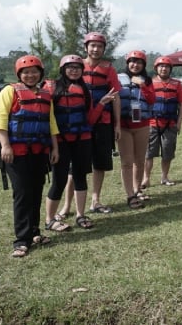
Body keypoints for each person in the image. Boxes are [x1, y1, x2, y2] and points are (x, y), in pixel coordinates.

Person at [0, 55, 59, 258]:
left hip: (39, 151)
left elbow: (51, 123)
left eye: (34, 72)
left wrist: (55, 148)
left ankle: (34, 232)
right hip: (16, 153)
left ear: (40, 73)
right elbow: (0, 120)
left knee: (36, 192)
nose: (31, 75)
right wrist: (5, 145)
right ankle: (21, 240)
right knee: (22, 194)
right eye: (26, 72)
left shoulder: (45, 94)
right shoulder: (9, 91)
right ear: (19, 74)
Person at [43, 55, 115, 232]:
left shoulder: (84, 91)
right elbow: (46, 116)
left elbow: (90, 119)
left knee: (80, 177)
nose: (74, 70)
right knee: (59, 180)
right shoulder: (51, 88)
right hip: (60, 141)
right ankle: (49, 219)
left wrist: (101, 103)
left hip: (82, 140)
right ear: (63, 69)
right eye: (70, 67)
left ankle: (80, 215)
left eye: (77, 67)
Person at [81, 32, 122, 214]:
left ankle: (95, 200)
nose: (96, 49)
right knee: (77, 164)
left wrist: (117, 124)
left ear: (104, 49)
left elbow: (116, 97)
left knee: (100, 163)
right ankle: (67, 206)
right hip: (80, 123)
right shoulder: (76, 66)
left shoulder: (109, 70)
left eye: (99, 46)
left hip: (103, 122)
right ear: (86, 47)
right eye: (92, 45)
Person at [116, 50, 156, 210]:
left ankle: (137, 189)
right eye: (132, 61)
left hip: (142, 124)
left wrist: (143, 85)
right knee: (127, 162)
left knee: (139, 161)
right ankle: (130, 195)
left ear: (143, 65)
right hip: (124, 125)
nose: (135, 65)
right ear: (127, 63)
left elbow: (152, 99)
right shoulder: (119, 79)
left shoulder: (147, 81)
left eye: (139, 62)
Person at [143, 55, 182, 189]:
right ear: (156, 68)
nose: (164, 69)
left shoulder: (176, 84)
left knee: (168, 153)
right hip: (152, 123)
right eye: (161, 66)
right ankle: (146, 178)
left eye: (167, 67)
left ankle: (164, 177)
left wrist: (179, 123)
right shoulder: (149, 83)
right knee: (149, 153)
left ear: (170, 69)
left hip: (170, 124)